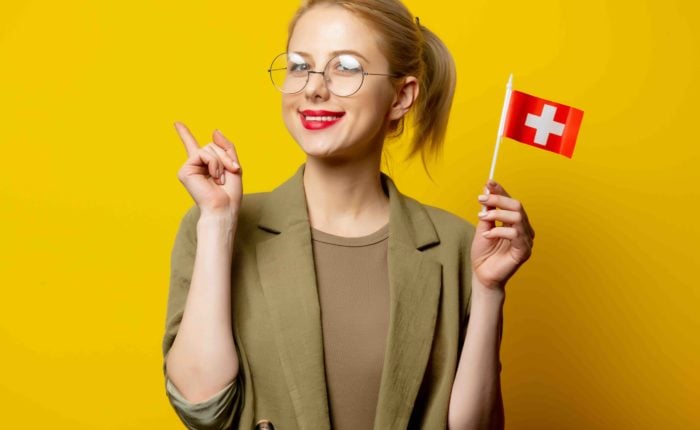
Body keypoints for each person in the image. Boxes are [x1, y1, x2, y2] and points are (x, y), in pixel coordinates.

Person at [162, 1, 535, 429]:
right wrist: (218, 225)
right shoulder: (216, 225)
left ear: (401, 97)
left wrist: (489, 291)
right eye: (300, 66)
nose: (313, 88)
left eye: (345, 67)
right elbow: (201, 407)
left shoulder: (457, 247)